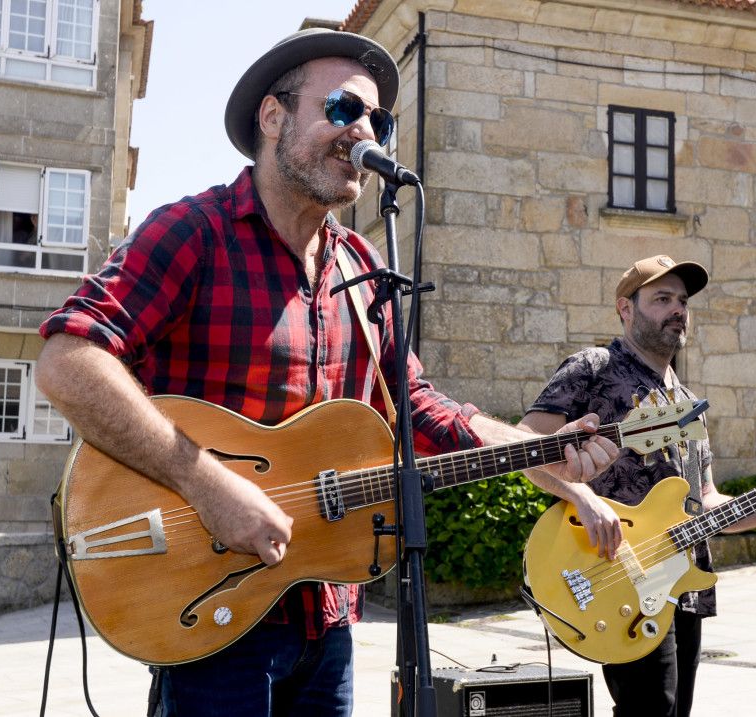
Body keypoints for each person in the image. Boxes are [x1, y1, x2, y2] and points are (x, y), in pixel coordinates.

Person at [33, 28, 618, 717]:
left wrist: (551, 464)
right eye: (344, 109)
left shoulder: (361, 269)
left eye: (379, 119)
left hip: (329, 619)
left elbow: (421, 409)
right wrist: (207, 483)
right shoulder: (193, 232)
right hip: (211, 611)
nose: (366, 130)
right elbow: (67, 361)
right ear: (274, 117)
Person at [518, 254, 756, 717]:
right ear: (626, 309)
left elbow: (707, 503)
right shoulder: (595, 367)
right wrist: (582, 497)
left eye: (682, 301)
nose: (677, 309)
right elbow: (524, 446)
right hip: (618, 579)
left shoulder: (685, 402)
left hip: (682, 584)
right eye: (662, 299)